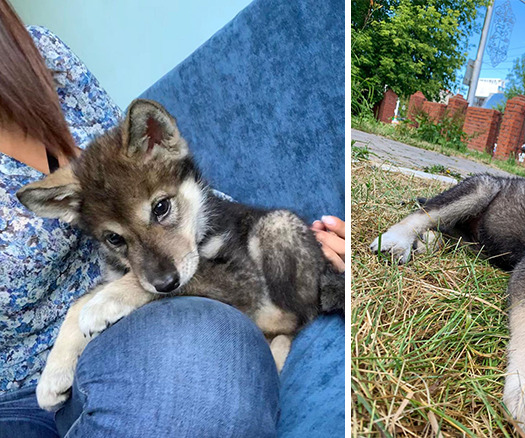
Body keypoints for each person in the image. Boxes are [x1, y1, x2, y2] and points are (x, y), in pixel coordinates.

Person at [0, 1, 345, 437]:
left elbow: (142, 174)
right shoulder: (104, 227)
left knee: (202, 369)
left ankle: (281, 331)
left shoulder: (46, 57)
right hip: (13, 396)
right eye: (118, 240)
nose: (158, 272)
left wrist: (316, 246)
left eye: (160, 212)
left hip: (140, 336)